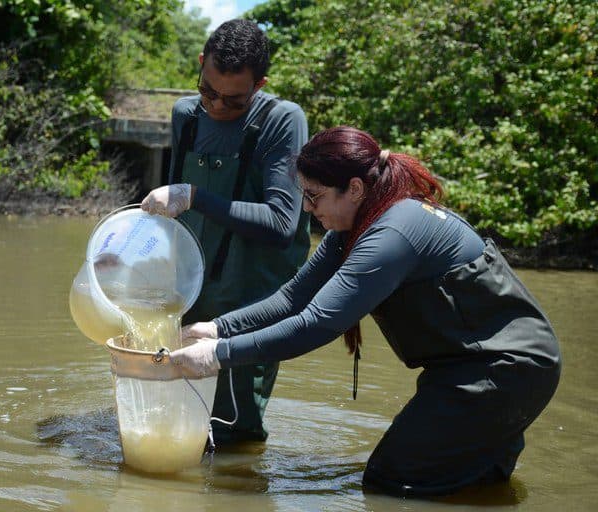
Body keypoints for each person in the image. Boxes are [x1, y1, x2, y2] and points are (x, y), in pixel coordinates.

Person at [168, 125, 561, 496]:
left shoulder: (393, 232)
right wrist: (216, 328)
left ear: (354, 188)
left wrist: (218, 356)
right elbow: (294, 298)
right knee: (469, 486)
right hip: (477, 369)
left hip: (503, 370)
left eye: (314, 195)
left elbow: (316, 323)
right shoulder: (354, 227)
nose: (306, 208)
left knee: (391, 481)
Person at [140, 19, 310, 443]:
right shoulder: (186, 115)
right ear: (201, 65)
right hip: (190, 289)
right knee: (174, 418)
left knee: (233, 431)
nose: (216, 106)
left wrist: (194, 194)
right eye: (207, 90)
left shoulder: (282, 121)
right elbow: (173, 212)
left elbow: (280, 224)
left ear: (259, 84)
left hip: (250, 302)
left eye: (233, 101)